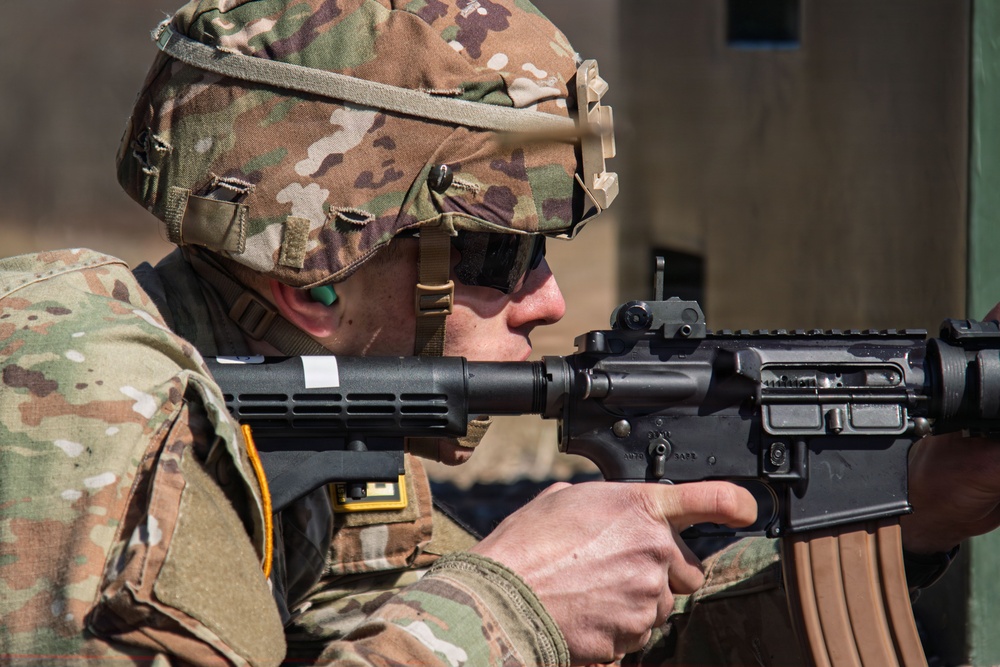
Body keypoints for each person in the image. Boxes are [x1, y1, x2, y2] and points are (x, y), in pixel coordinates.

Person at [2, 1, 999, 666]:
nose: (547, 302)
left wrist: (906, 508)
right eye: (494, 258)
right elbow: (488, 630)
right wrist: (504, 604)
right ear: (318, 270)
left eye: (545, 253)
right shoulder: (80, 410)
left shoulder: (309, 432)